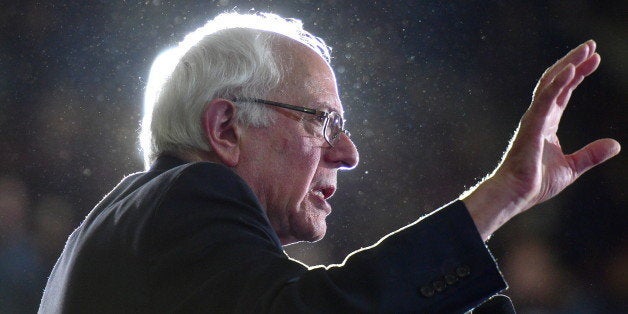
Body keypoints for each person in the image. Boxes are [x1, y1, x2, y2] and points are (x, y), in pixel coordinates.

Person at [38, 12, 620, 313]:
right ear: (225, 129)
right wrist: (501, 194)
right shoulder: (191, 195)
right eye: (322, 122)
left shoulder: (118, 228)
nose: (348, 153)